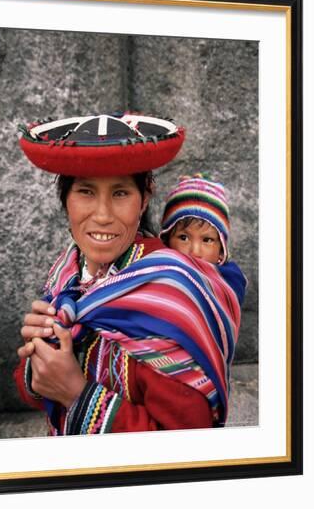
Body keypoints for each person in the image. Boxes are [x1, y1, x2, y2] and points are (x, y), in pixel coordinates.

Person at [13, 113, 246, 435]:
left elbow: (188, 444)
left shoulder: (169, 289)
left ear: (144, 197)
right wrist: (38, 352)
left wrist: (77, 396)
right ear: (65, 200)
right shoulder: (68, 272)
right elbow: (36, 390)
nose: (103, 215)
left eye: (120, 193)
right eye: (85, 192)